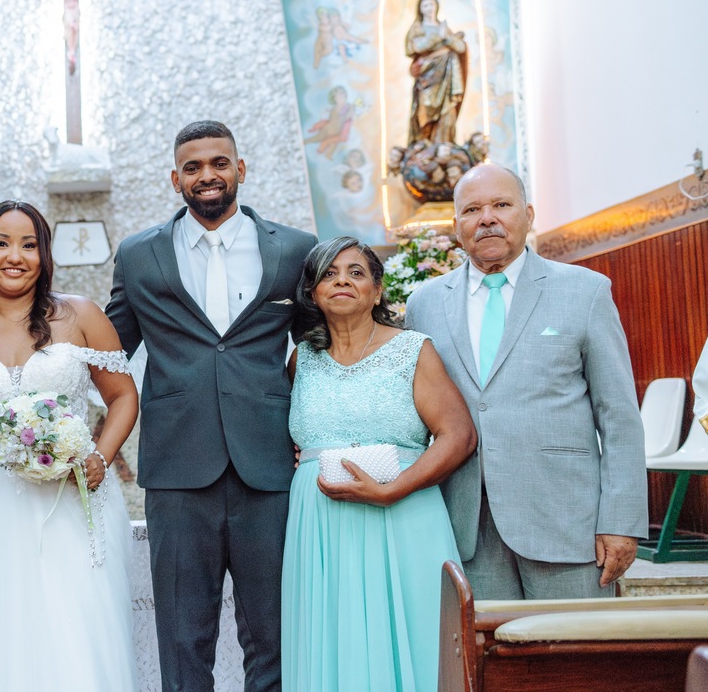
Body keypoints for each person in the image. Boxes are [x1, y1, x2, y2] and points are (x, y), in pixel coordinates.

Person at [106, 120, 317, 692]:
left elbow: (323, 349)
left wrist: (317, 427)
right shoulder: (139, 254)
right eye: (193, 167)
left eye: (219, 163)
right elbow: (109, 352)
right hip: (177, 467)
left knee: (272, 632)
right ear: (175, 178)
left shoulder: (295, 250)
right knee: (182, 635)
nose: (208, 176)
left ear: (240, 170)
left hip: (270, 463)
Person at [0, 200, 139, 690]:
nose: (16, 255)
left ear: (45, 253)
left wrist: (100, 455)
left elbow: (122, 397)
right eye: (2, 243)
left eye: (29, 244)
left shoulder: (81, 315)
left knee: (70, 626)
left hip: (68, 503)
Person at [405, 163, 648, 599]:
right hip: (467, 529)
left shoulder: (584, 292)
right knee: (490, 664)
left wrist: (620, 521)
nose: (487, 218)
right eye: (472, 209)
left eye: (501, 204)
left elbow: (619, 417)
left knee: (576, 662)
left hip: (566, 523)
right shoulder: (424, 304)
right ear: (456, 224)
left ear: (529, 214)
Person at [283, 236, 476, 691]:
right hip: (321, 527)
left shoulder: (412, 349)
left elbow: (459, 435)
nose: (342, 281)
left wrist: (396, 488)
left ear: (377, 288)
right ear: (312, 292)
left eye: (355, 272)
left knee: (413, 635)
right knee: (332, 637)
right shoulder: (301, 361)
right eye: (329, 274)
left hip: (403, 514)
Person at [406, 0, 467, 146]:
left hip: (446, 77)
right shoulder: (417, 28)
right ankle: (423, 145)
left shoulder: (444, 28)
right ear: (420, 9)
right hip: (427, 78)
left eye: (431, 4)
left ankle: (444, 146)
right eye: (425, 5)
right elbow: (415, 47)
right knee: (424, 112)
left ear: (436, 6)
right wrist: (438, 37)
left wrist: (447, 37)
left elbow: (461, 47)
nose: (429, 8)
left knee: (447, 111)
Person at [30, 0, 110, 74]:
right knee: (70, 28)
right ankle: (70, 52)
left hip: (76, 10)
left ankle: (71, 53)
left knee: (75, 30)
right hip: (67, 10)